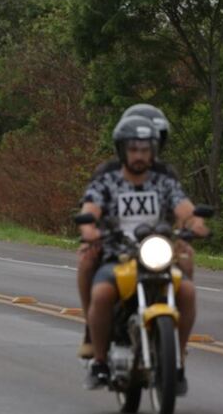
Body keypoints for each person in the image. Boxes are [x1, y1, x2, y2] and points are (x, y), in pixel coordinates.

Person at [77, 115, 208, 392]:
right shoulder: (107, 181)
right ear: (123, 150)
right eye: (134, 149)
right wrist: (90, 228)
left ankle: (178, 358)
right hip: (118, 256)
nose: (139, 155)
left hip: (158, 254)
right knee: (101, 294)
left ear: (153, 151)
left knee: (187, 291)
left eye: (145, 149)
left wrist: (194, 223)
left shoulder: (163, 182)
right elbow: (91, 208)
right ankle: (99, 361)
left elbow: (183, 207)